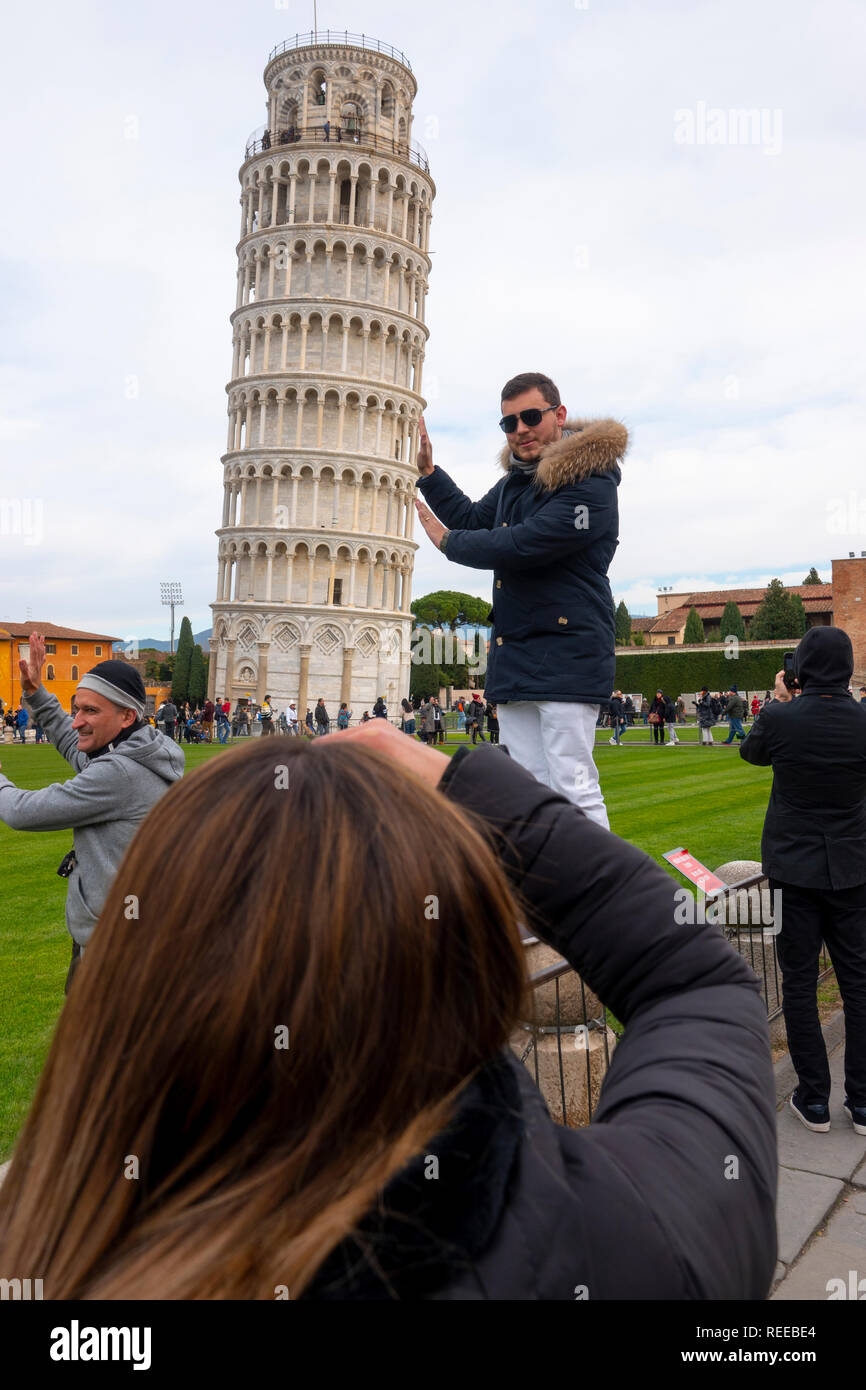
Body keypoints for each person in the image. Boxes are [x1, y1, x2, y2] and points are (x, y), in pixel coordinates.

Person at [0, 721, 777, 1298]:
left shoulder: (43, 1247)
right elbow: (693, 983)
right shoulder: (642, 1237)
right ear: (469, 959)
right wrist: (484, 792)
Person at [414, 371, 628, 830]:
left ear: (560, 414)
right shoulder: (516, 483)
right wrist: (429, 476)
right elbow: (474, 517)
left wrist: (449, 543)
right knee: (528, 786)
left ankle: (601, 898)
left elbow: (523, 544)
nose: (520, 430)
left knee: (573, 785)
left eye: (530, 417)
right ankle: (547, 889)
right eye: (509, 423)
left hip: (569, 655)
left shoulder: (593, 485)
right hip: (517, 651)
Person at [0, 635, 183, 994]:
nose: (76, 720)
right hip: (125, 935)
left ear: (128, 715)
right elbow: (75, 745)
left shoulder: (121, 774)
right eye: (76, 707)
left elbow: (24, 812)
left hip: (116, 952)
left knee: (100, 1050)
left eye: (90, 711)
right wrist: (36, 693)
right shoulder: (137, 749)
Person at [740, 628, 866, 1136]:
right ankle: (861, 1102)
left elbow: (752, 753)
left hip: (794, 870)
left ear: (803, 668)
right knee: (858, 984)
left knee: (799, 983)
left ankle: (813, 1098)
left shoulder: (780, 716)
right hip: (853, 868)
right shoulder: (861, 721)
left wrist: (777, 699)